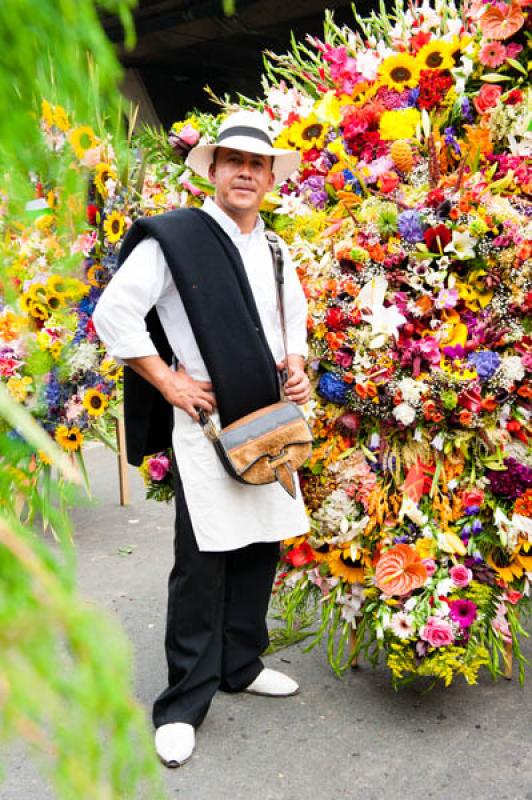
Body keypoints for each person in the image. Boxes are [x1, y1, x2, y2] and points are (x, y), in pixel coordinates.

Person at [92, 110, 311, 767]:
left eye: (257, 164)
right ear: (212, 171)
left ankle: (241, 662)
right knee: (203, 559)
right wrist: (169, 383)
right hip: (209, 424)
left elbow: (290, 315)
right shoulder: (176, 239)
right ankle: (184, 702)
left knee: (261, 546)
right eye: (233, 161)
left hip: (269, 419)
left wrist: (296, 365)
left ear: (270, 177)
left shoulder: (274, 247)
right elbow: (114, 313)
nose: (245, 172)